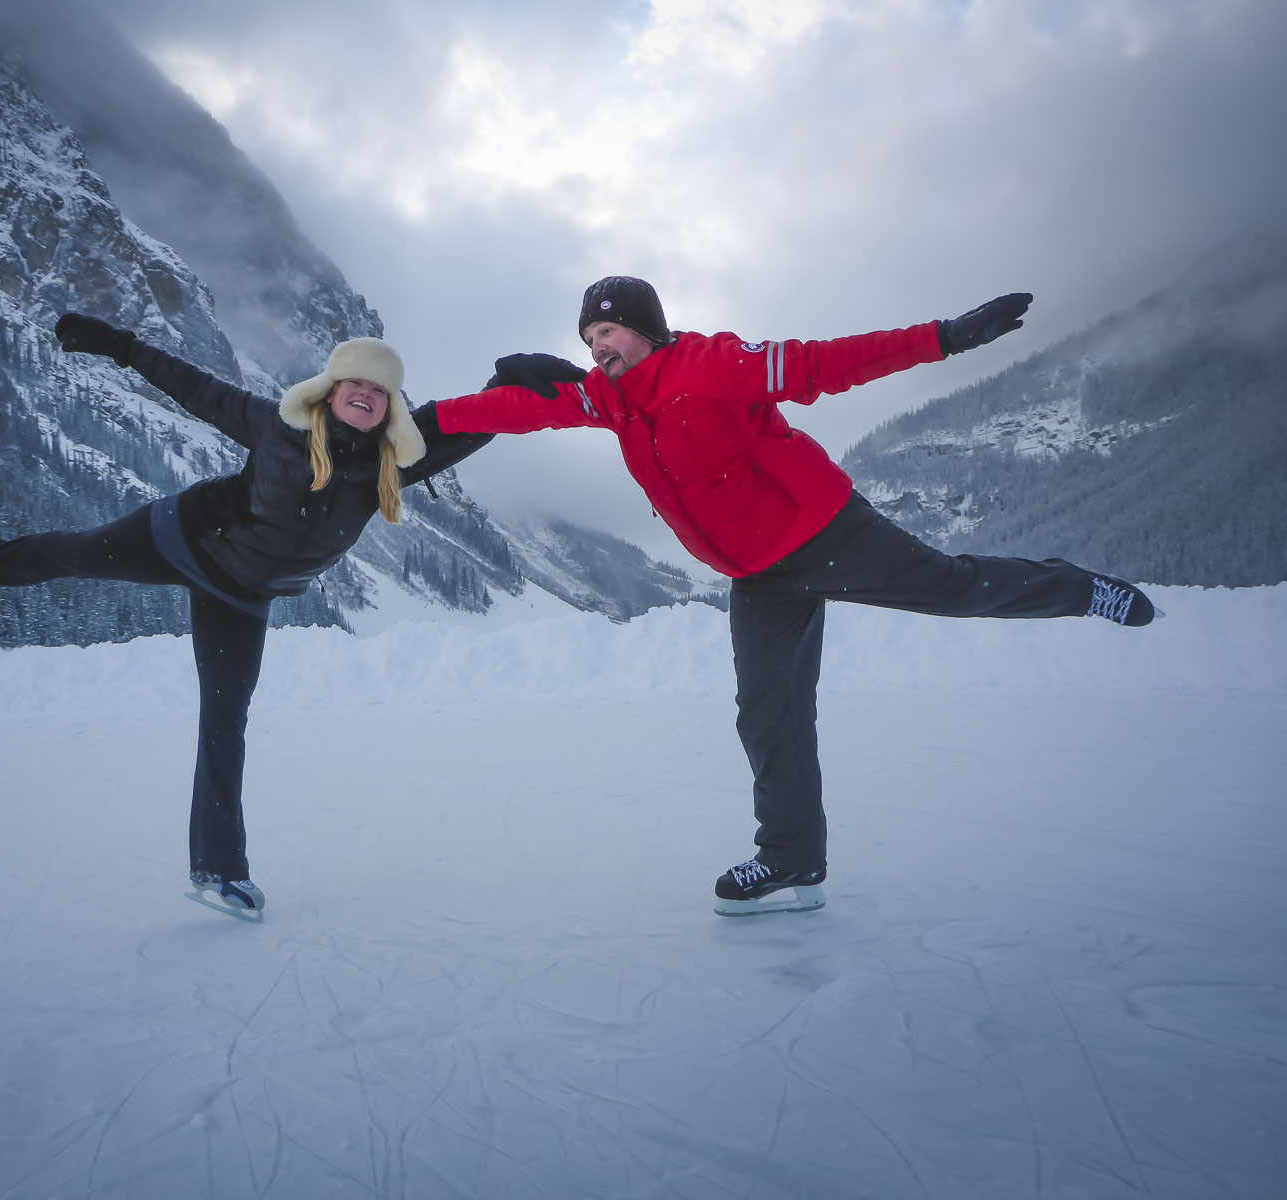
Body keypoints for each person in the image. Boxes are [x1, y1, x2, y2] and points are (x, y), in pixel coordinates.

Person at [433, 276, 1159, 916]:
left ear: (647, 329)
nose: (597, 347)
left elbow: (824, 364)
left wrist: (945, 338)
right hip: (757, 576)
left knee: (955, 589)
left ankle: (1074, 586)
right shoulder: (608, 402)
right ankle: (792, 859)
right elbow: (518, 411)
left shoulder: (712, 364)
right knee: (768, 713)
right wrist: (425, 421)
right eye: (589, 337)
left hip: (822, 530)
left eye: (608, 330)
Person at [0, 314, 492, 914]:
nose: (366, 397)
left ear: (390, 406)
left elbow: (472, 424)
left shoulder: (391, 463)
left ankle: (219, 871)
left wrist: (515, 382)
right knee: (74, 552)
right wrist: (119, 344)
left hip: (240, 598)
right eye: (357, 385)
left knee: (223, 722)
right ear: (331, 389)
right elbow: (191, 387)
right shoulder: (277, 426)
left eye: (380, 391)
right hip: (182, 537)